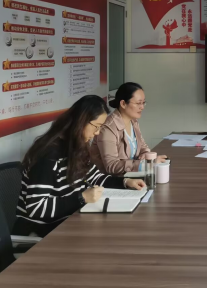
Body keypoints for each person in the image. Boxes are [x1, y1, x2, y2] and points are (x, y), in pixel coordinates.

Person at [14, 95, 146, 237]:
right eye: (96, 126)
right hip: (42, 232)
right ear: (81, 122)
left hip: (70, 223)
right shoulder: (48, 156)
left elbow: (96, 178)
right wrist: (81, 198)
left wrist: (125, 182)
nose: (97, 133)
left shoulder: (77, 147)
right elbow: (36, 208)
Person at [90, 82, 167, 175]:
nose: (142, 107)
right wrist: (145, 164)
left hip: (130, 176)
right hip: (110, 180)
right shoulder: (108, 128)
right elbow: (111, 166)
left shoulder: (133, 121)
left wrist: (145, 154)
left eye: (143, 103)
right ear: (123, 103)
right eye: (138, 103)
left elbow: (143, 146)